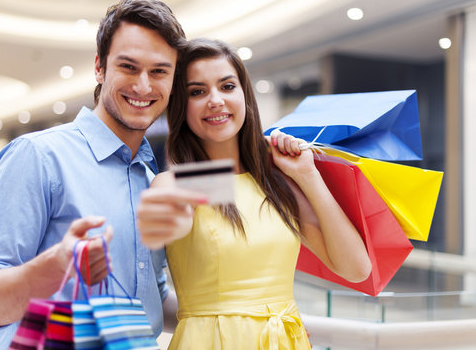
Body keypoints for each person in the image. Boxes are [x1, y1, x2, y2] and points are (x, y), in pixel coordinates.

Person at [0, 0, 186, 349]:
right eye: (128, 67)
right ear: (100, 67)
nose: (144, 86)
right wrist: (48, 272)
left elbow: (150, 299)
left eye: (159, 71)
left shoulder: (149, 176)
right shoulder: (39, 157)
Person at [136, 38, 372, 349]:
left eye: (227, 86)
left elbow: (357, 269)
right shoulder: (174, 185)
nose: (216, 100)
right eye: (197, 92)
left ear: (245, 95)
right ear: (181, 106)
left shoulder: (277, 184)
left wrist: (307, 175)